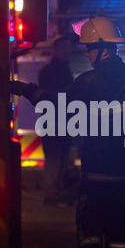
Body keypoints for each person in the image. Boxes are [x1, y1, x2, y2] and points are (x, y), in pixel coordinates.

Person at [11, 17, 125, 248]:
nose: (86, 52)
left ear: (104, 49)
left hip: (96, 176)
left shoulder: (88, 82)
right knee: (118, 229)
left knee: (89, 229)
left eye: (89, 47)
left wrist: (26, 89)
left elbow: (55, 103)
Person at [38, 35, 74, 206]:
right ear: (54, 49)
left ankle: (57, 193)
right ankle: (52, 195)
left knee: (62, 159)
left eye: (68, 47)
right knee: (54, 159)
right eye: (63, 48)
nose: (67, 51)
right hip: (53, 122)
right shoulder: (50, 71)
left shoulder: (62, 69)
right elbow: (50, 95)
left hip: (61, 121)